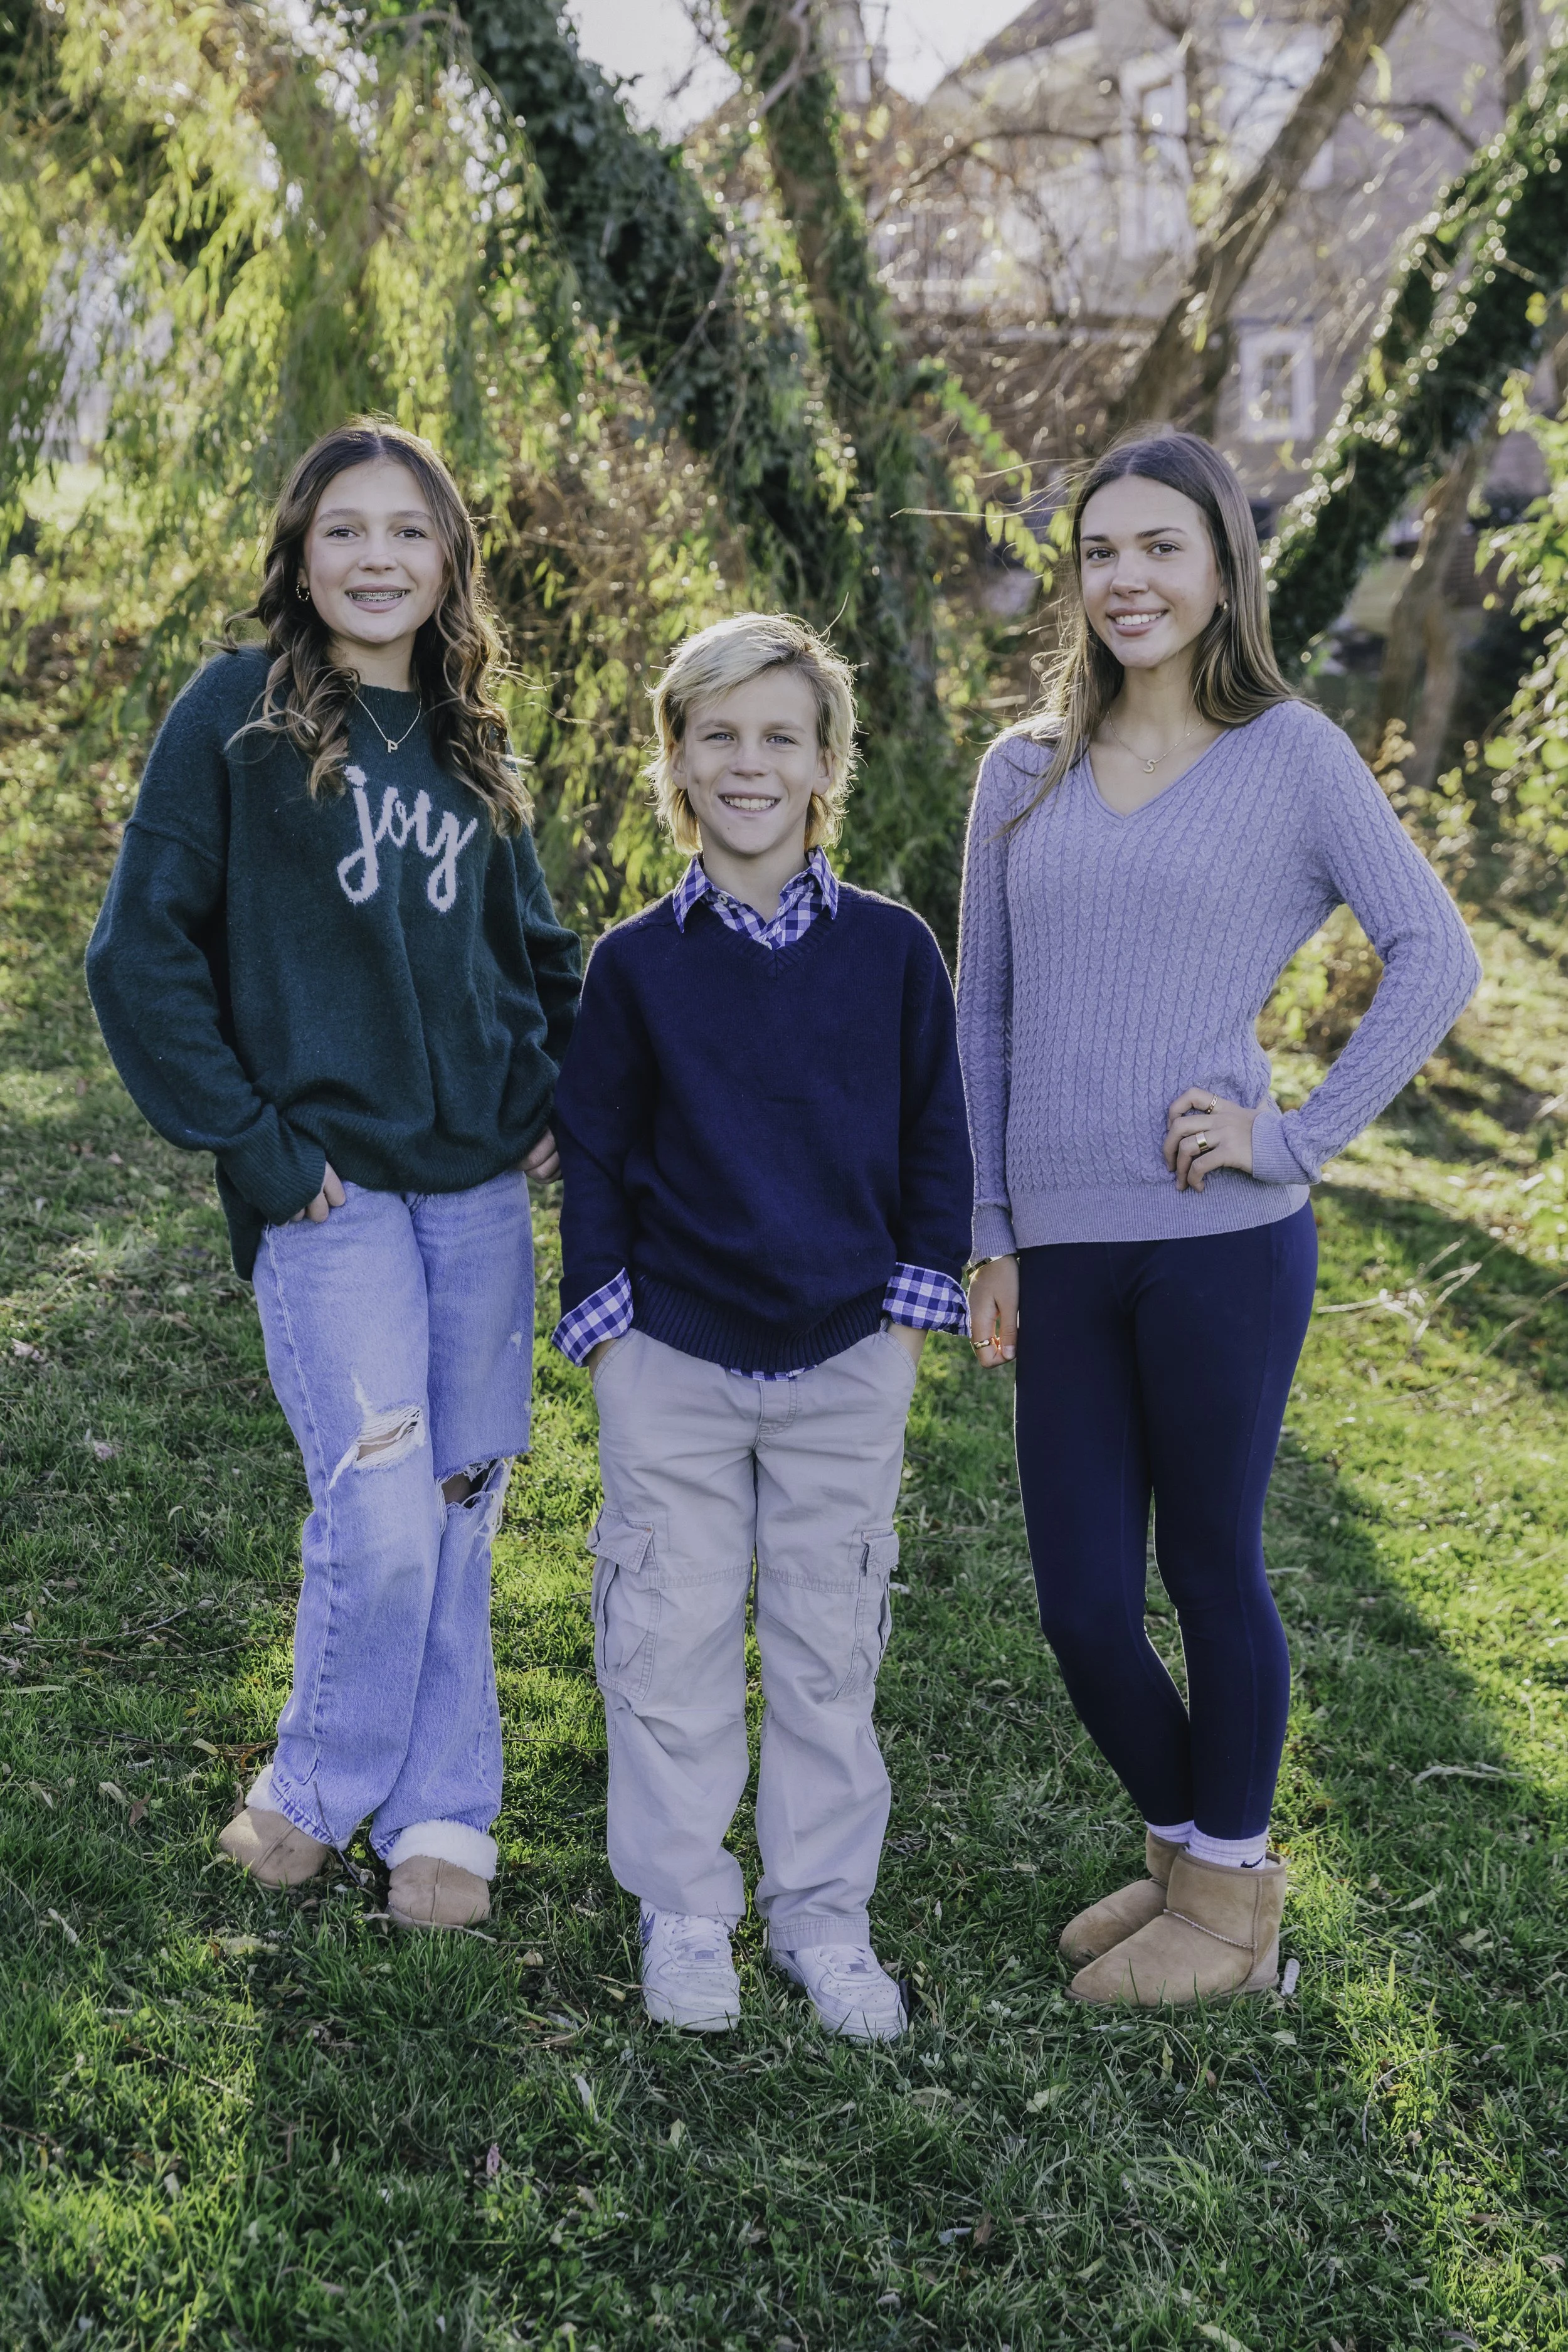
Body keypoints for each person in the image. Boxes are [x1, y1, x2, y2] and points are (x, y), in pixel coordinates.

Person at [958, 432, 1480, 2005]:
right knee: (1076, 1606)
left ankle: (1226, 1895)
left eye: (1158, 550)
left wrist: (1294, 1135)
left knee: (1208, 1568)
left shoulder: (1292, 756)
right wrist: (989, 1226)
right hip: (1057, 1243)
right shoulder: (1017, 770)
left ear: (1220, 571)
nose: (1125, 580)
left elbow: (1433, 955)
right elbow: (979, 1016)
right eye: (1098, 552)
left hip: (1218, 1248)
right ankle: (1196, 1864)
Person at [86, 420, 580, 1931]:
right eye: (346, 531)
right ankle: (312, 1787)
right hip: (329, 1193)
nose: (379, 559)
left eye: (409, 532)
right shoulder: (235, 716)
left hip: (481, 1190)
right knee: (374, 1512)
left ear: (450, 564)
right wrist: (254, 1144)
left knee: (457, 1502)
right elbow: (139, 952)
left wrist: (562, 1093)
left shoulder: (474, 740)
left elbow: (540, 955)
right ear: (300, 556)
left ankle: (443, 1812)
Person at [550, 612, 972, 2040]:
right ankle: (684, 1908)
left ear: (824, 764)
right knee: (665, 1633)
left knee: (824, 1640)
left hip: (846, 1348)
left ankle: (819, 1917)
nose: (748, 763)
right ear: (673, 760)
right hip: (671, 1348)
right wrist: (607, 1328)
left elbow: (934, 1138)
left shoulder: (894, 953)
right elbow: (596, 1147)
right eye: (716, 735)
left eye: (778, 736)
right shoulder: (635, 965)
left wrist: (907, 1324)